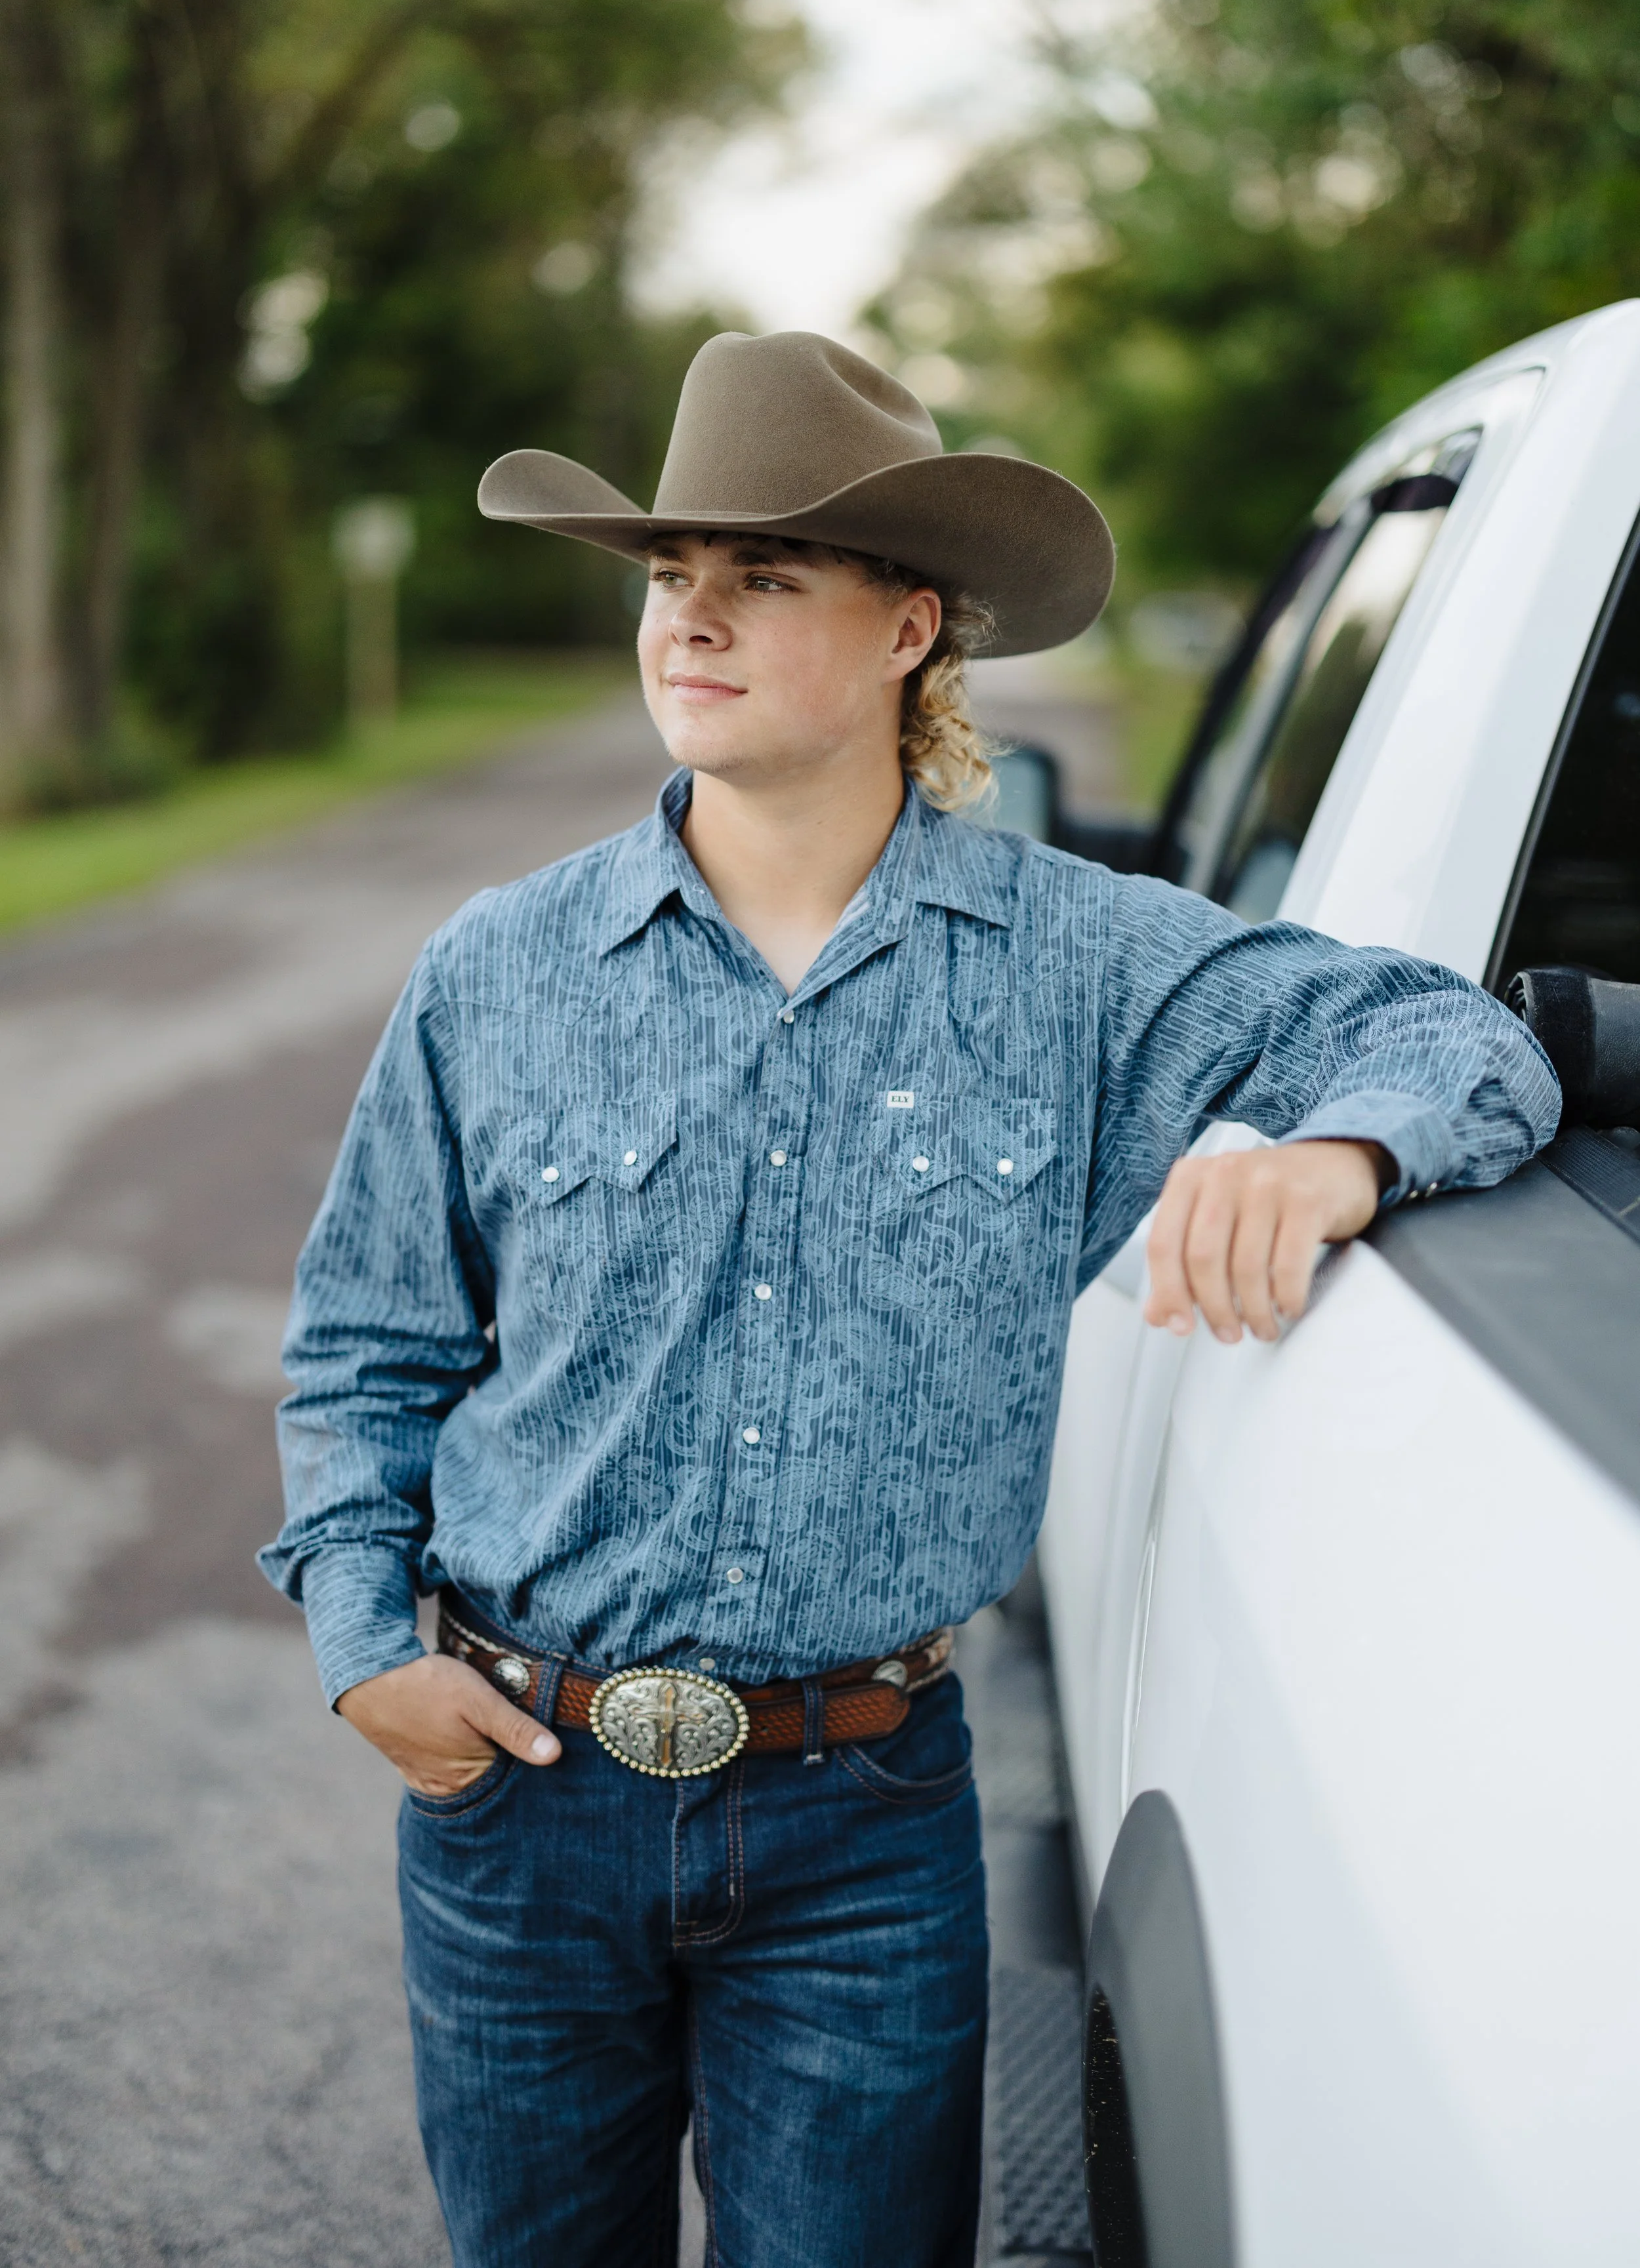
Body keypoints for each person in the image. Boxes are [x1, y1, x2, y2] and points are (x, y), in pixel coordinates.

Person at [260, 331, 1557, 2268]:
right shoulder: (500, 968)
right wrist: (365, 1640)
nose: (687, 620)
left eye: (760, 577)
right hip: (522, 1807)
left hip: (860, 1827)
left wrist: (1336, 1150)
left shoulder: (1085, 962)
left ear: (906, 633)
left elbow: (1449, 1035)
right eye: (667, 576)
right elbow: (368, 1342)